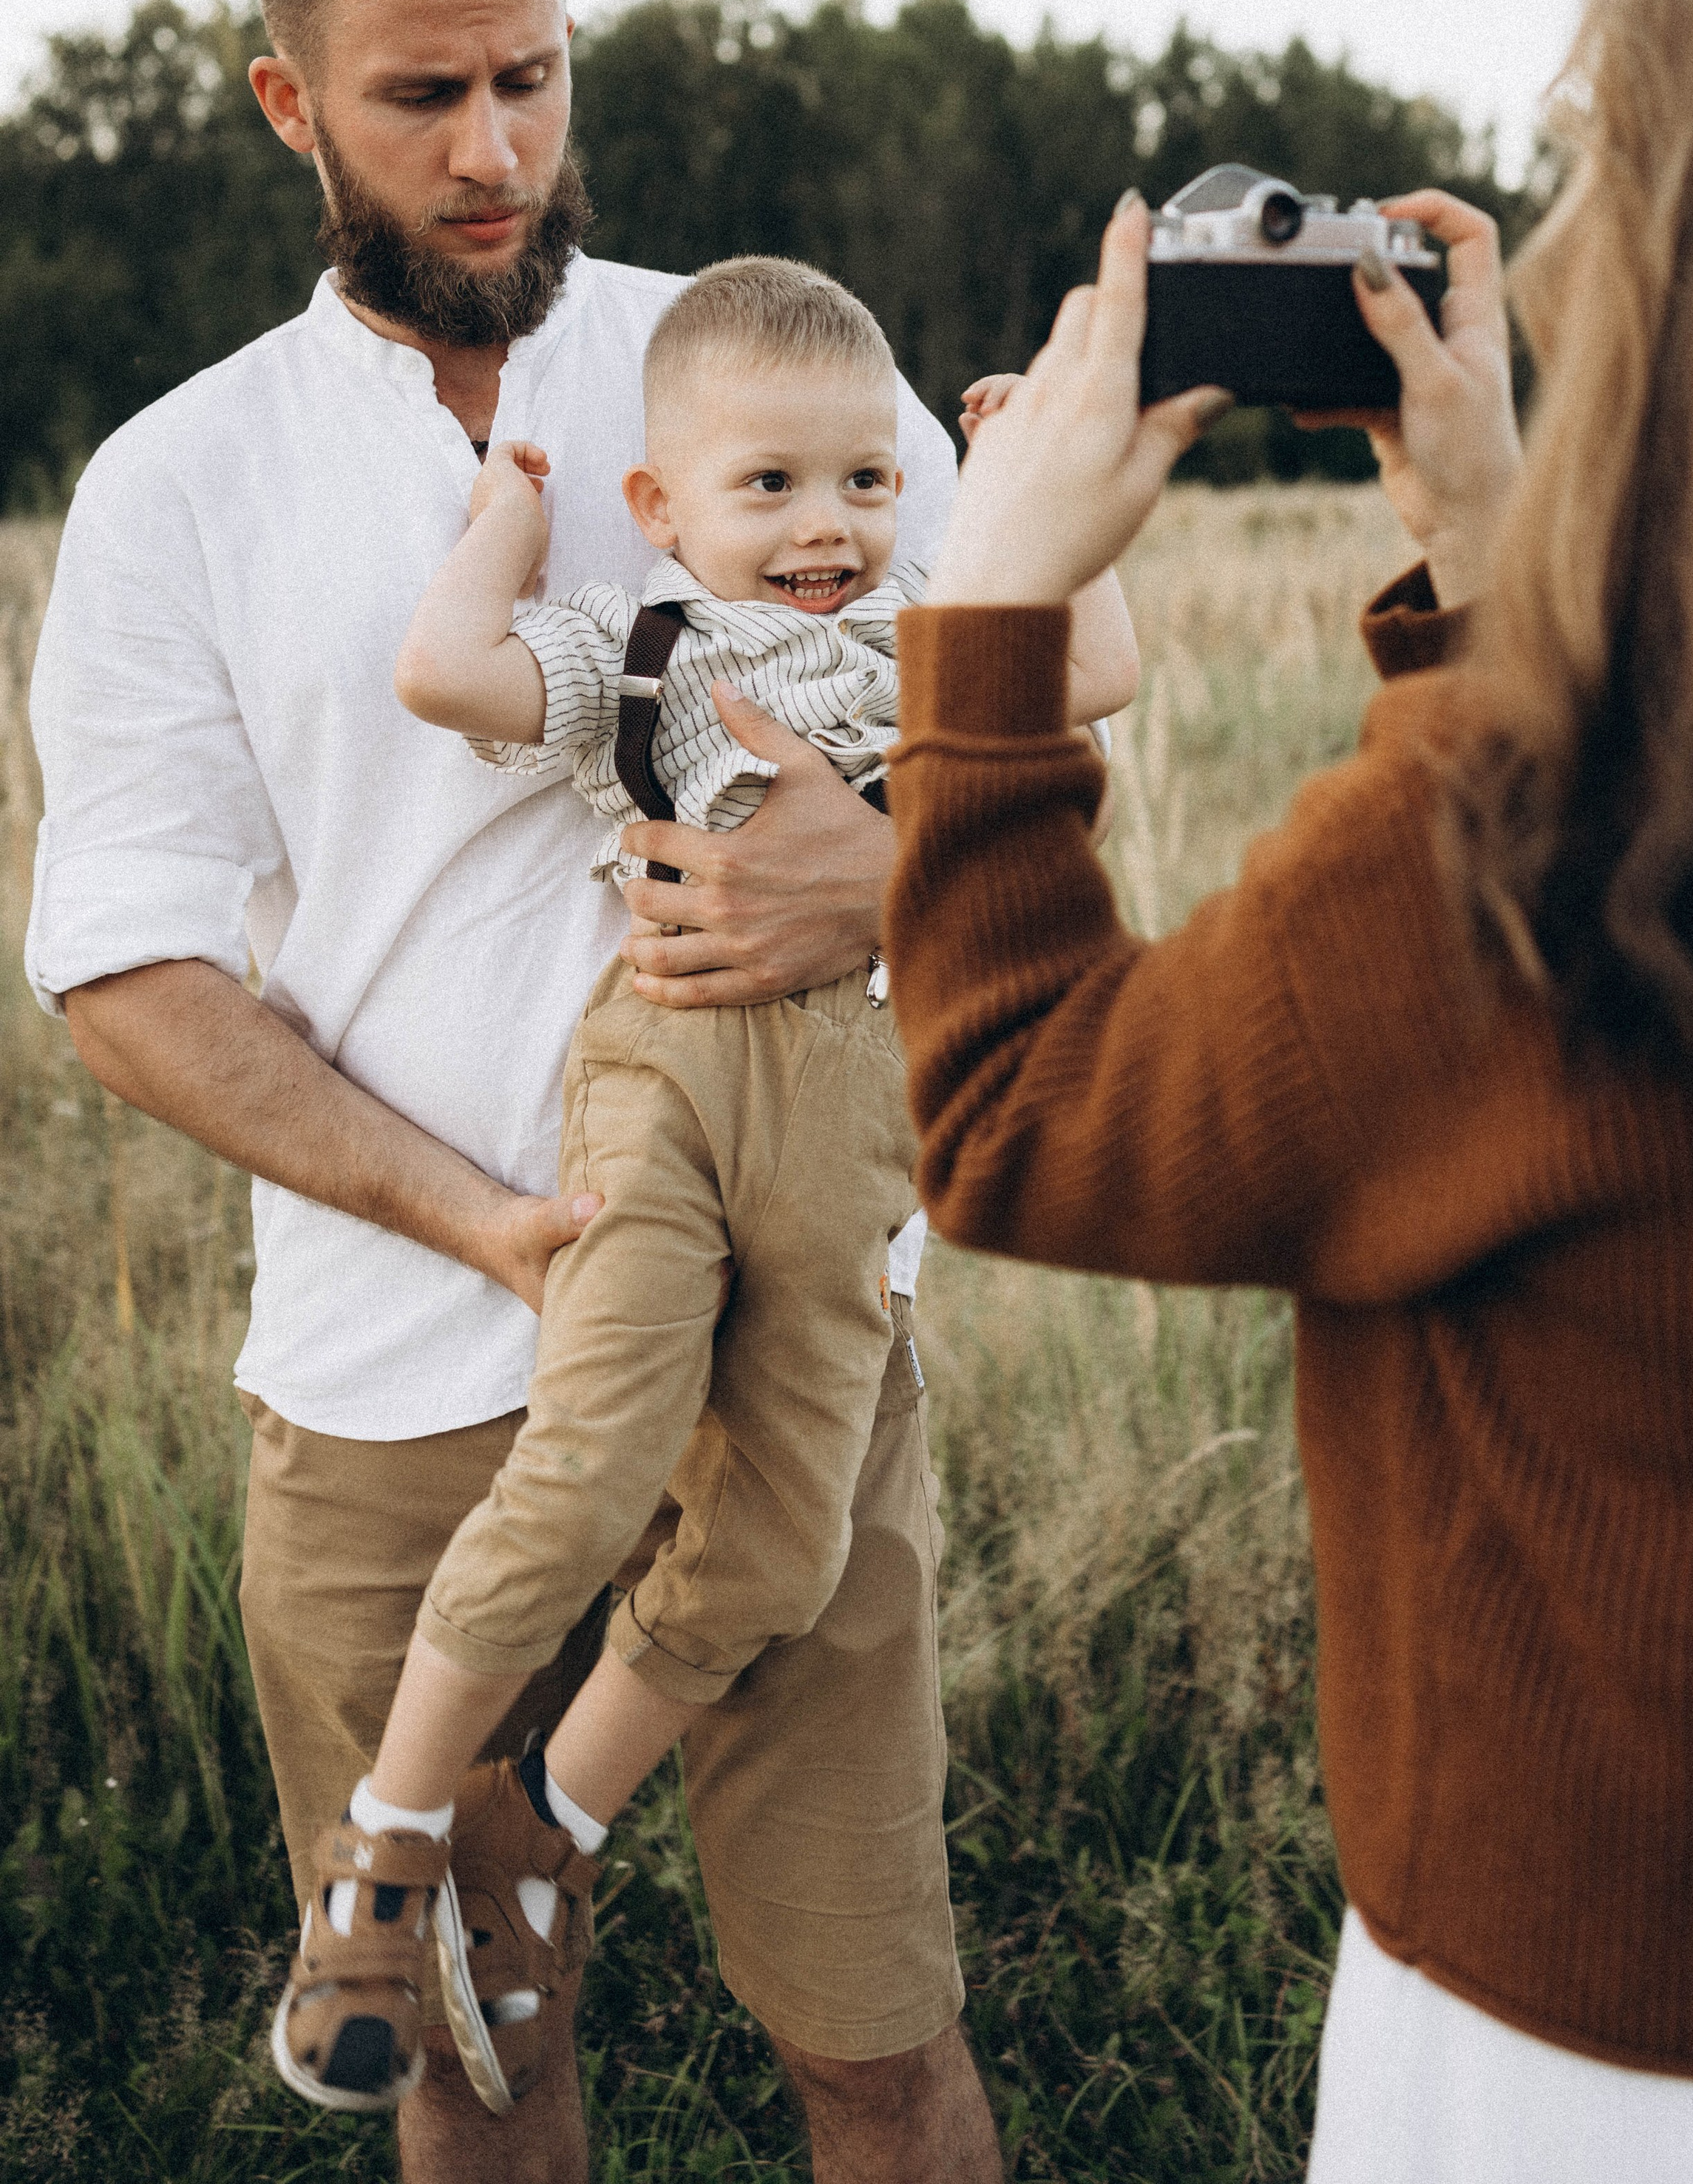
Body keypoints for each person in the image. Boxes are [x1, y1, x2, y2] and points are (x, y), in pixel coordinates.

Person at [881, 0, 1693, 2182]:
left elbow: (1021, 1112)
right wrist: (1496, 565)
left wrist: (989, 606)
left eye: (1596, 158)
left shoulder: (1519, 856)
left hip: (1587, 2056)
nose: (1550, 249)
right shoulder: (1633, 810)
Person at [25, 0, 1005, 2184]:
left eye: (533, 79)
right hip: (394, 1391)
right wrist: (487, 1226)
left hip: (792, 1351)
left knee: (877, 2043)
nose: (495, 150)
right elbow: (127, 970)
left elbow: (1034, 742)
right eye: (423, 95)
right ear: (290, 101)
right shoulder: (180, 484)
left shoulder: (778, 368)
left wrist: (889, 871)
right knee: (472, 2070)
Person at [272, 254, 1136, 2115]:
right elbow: (441, 672)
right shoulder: (639, 641)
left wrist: (1018, 496)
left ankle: (542, 1826)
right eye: (770, 486)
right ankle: (389, 1847)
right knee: (587, 1460)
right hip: (665, 1093)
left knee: (780, 1545)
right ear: (660, 507)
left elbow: (1105, 669)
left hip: (853, 1151)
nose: (826, 526)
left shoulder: (929, 628)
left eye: (864, 481)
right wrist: (508, 529)